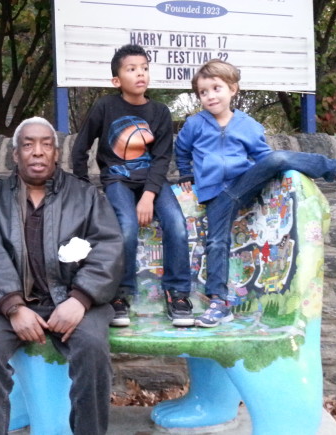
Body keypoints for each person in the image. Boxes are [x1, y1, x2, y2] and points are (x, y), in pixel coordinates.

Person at [0, 117, 124, 435]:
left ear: (55, 153)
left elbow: (109, 248)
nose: (37, 152)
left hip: (75, 299)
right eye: (28, 144)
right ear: (16, 155)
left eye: (45, 144)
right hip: (17, 303)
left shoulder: (86, 196)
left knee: (93, 351)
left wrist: (80, 299)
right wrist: (14, 307)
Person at [176, 59, 336, 328]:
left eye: (216, 88)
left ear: (233, 89)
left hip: (243, 185)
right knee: (216, 242)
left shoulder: (247, 125)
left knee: (278, 157)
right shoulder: (195, 124)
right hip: (216, 196)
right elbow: (182, 149)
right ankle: (218, 303)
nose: (210, 96)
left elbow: (263, 157)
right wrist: (185, 174)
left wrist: (273, 169)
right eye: (204, 92)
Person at [72, 44, 193, 327]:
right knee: (125, 227)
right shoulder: (105, 106)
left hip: (152, 180)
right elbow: (81, 147)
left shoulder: (160, 112)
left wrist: (149, 195)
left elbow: (162, 158)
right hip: (117, 179)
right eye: (131, 69)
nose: (140, 74)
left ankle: (177, 294)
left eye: (144, 68)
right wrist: (81, 185)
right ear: (117, 80)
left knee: (176, 224)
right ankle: (119, 296)